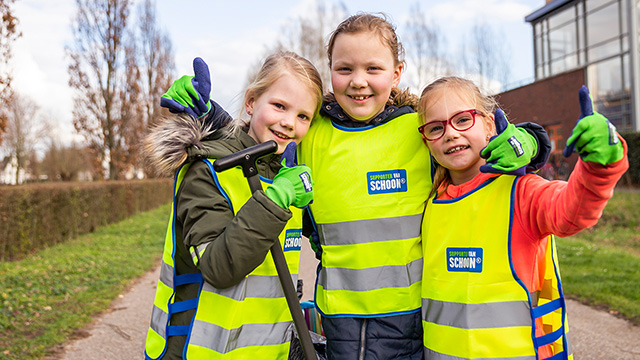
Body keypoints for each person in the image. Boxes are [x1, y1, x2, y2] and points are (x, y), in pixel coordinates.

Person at [159, 13, 550, 359]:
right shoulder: (312, 133)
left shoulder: (416, 127)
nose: (358, 81)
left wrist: (533, 141)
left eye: (373, 69)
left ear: (397, 73)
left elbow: (471, 142)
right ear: (330, 70)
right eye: (345, 69)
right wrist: (210, 117)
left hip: (408, 319)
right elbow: (263, 141)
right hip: (339, 317)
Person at [417, 77, 628, 360]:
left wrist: (600, 166)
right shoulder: (428, 202)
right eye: (435, 128)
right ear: (425, 140)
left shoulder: (522, 191)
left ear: (490, 124)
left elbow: (573, 211)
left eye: (463, 120)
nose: (450, 134)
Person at [143, 51, 323, 360]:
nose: (288, 122)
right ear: (251, 102)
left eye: (303, 116)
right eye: (279, 106)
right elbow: (218, 267)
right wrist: (276, 200)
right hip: (197, 350)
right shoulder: (209, 169)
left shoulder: (287, 177)